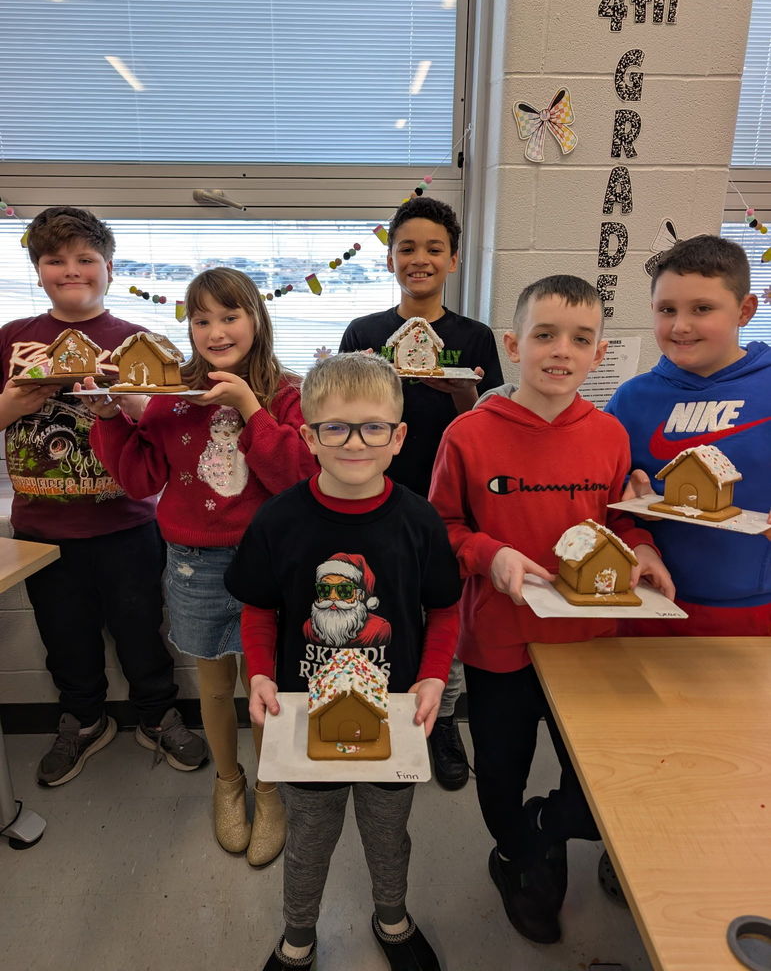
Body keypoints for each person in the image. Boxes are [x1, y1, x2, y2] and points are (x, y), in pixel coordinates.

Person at [429, 275, 674, 944]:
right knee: (501, 767)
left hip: (590, 639)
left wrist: (645, 547)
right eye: (543, 334)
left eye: (580, 338)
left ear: (598, 355)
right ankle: (514, 853)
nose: (560, 350)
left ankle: (546, 829)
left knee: (590, 779)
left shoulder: (610, 434)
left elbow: (623, 523)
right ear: (513, 344)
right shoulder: (467, 435)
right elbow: (442, 528)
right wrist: (489, 555)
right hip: (501, 643)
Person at [224, 351, 461, 971]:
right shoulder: (278, 521)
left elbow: (444, 610)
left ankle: (393, 918)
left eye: (373, 426)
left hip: (395, 721)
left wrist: (435, 674)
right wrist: (260, 672)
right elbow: (259, 611)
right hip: (305, 722)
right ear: (309, 436)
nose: (355, 442)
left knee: (388, 835)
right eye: (336, 428)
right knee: (309, 838)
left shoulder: (419, 522)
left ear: (398, 436)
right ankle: (298, 935)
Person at [85, 267, 318, 864]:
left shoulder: (288, 392)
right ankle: (228, 781)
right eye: (201, 318)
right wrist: (111, 417)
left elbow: (298, 479)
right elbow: (140, 478)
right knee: (215, 686)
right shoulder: (172, 394)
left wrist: (246, 405)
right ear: (187, 326)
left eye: (230, 315)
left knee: (265, 687)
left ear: (256, 318)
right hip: (194, 563)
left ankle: (269, 790)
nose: (216, 331)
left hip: (270, 564)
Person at [0, 205, 207, 786]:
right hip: (41, 531)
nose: (71, 271)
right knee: (63, 634)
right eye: (55, 260)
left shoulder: (140, 341)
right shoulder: (13, 339)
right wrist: (15, 405)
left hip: (128, 525)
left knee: (143, 627)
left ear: (110, 268)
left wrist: (128, 404)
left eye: (85, 259)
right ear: (37, 270)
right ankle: (85, 719)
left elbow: (170, 432)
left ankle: (157, 714)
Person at [339, 196, 503, 790]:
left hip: (449, 507)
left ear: (454, 259)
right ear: (389, 260)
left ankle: (444, 721)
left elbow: (489, 422)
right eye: (407, 247)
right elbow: (343, 411)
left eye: (434, 248)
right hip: (376, 498)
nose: (420, 259)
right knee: (376, 609)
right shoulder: (365, 333)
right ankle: (376, 708)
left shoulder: (474, 337)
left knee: (443, 613)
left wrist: (454, 390)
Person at [606, 234, 771, 631]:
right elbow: (602, 494)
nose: (680, 326)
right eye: (667, 309)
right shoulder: (631, 398)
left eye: (702, 308)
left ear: (745, 310)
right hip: (650, 602)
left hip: (757, 611)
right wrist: (629, 509)